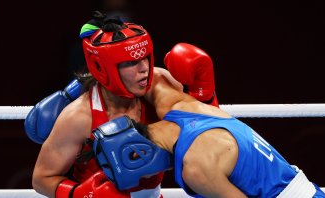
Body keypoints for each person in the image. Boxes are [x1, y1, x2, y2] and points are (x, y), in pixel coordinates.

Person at [28, 10, 218, 198]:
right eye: (131, 62)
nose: (144, 69)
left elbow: (207, 138)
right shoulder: (79, 117)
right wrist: (82, 194)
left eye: (145, 57)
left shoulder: (159, 85)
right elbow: (42, 178)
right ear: (104, 69)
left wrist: (205, 95)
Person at [99, 67, 325, 197]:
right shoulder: (181, 107)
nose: (151, 178)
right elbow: (148, 75)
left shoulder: (196, 169)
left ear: (138, 155)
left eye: (143, 175)